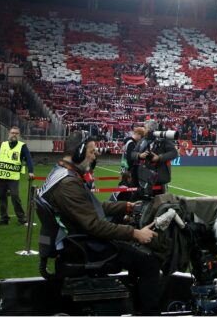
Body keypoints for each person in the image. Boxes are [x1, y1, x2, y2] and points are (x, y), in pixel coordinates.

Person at [38, 132, 161, 315]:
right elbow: (94, 225)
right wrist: (135, 233)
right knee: (149, 262)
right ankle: (148, 316)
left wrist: (126, 206)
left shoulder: (62, 173)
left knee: (136, 254)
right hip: (83, 247)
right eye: (92, 151)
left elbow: (90, 206)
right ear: (79, 153)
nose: (95, 155)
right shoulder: (68, 184)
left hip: (75, 241)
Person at [0, 126, 34, 225]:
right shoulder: (2, 145)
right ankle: (4, 219)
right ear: (9, 133)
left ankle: (22, 218)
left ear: (19, 135)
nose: (14, 135)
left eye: (16, 133)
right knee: (1, 197)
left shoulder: (22, 146)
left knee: (15, 196)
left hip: (13, 177)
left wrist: (30, 171)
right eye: (12, 133)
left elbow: (28, 159)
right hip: (1, 177)